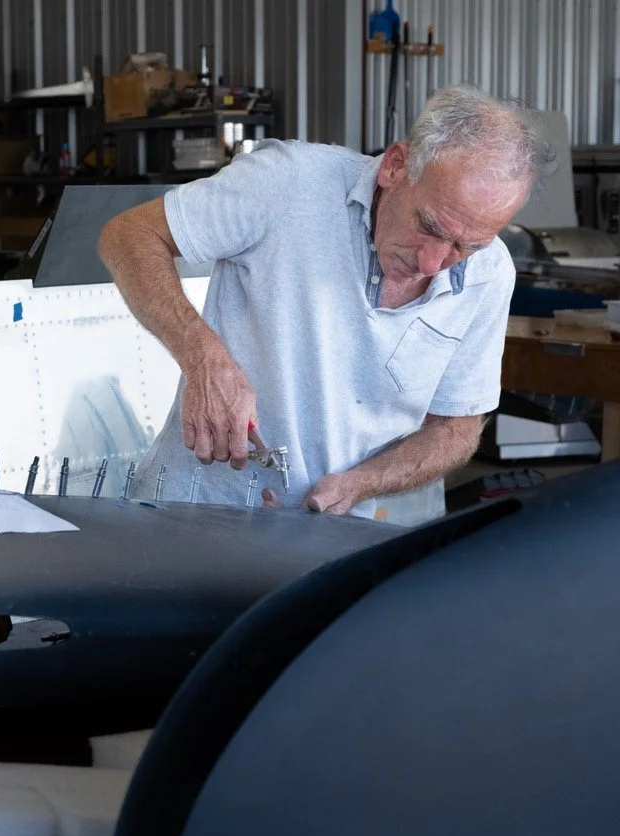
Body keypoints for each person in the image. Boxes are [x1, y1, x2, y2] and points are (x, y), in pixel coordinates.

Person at [98, 84, 551, 522]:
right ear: (395, 166)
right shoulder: (288, 183)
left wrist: (361, 484)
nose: (432, 264)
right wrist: (203, 359)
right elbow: (130, 235)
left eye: (465, 246)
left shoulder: (490, 272)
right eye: (429, 227)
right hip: (189, 517)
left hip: (335, 538)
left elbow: (456, 427)